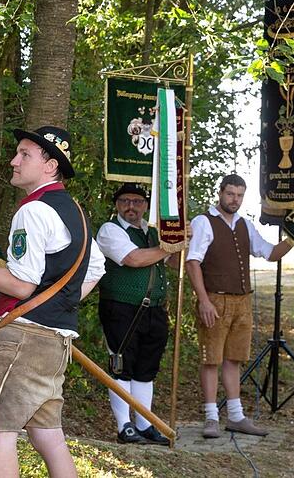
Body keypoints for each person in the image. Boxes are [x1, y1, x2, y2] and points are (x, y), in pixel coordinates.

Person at [0, 126, 105, 478]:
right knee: (47, 435)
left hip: (23, 340)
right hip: (56, 342)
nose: (14, 161)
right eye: (17, 153)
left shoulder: (33, 211)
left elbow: (22, 286)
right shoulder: (75, 213)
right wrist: (60, 308)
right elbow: (98, 267)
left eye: (25, 154)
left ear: (50, 166)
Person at [185, 174, 293, 438]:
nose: (235, 199)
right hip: (216, 299)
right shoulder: (204, 222)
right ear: (220, 192)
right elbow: (192, 261)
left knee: (234, 358)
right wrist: (204, 300)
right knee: (211, 358)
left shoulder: (245, 225)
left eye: (240, 195)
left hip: (242, 300)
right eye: (231, 194)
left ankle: (235, 416)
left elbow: (270, 253)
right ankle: (211, 417)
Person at [96, 183, 178, 446]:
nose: (130, 206)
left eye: (137, 201)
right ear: (117, 205)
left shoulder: (154, 234)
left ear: (145, 205)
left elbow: (173, 261)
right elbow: (133, 259)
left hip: (154, 310)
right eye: (124, 201)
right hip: (120, 307)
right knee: (121, 367)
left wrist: (183, 239)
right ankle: (125, 427)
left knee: (146, 370)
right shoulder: (110, 230)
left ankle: (144, 425)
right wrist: (169, 247)